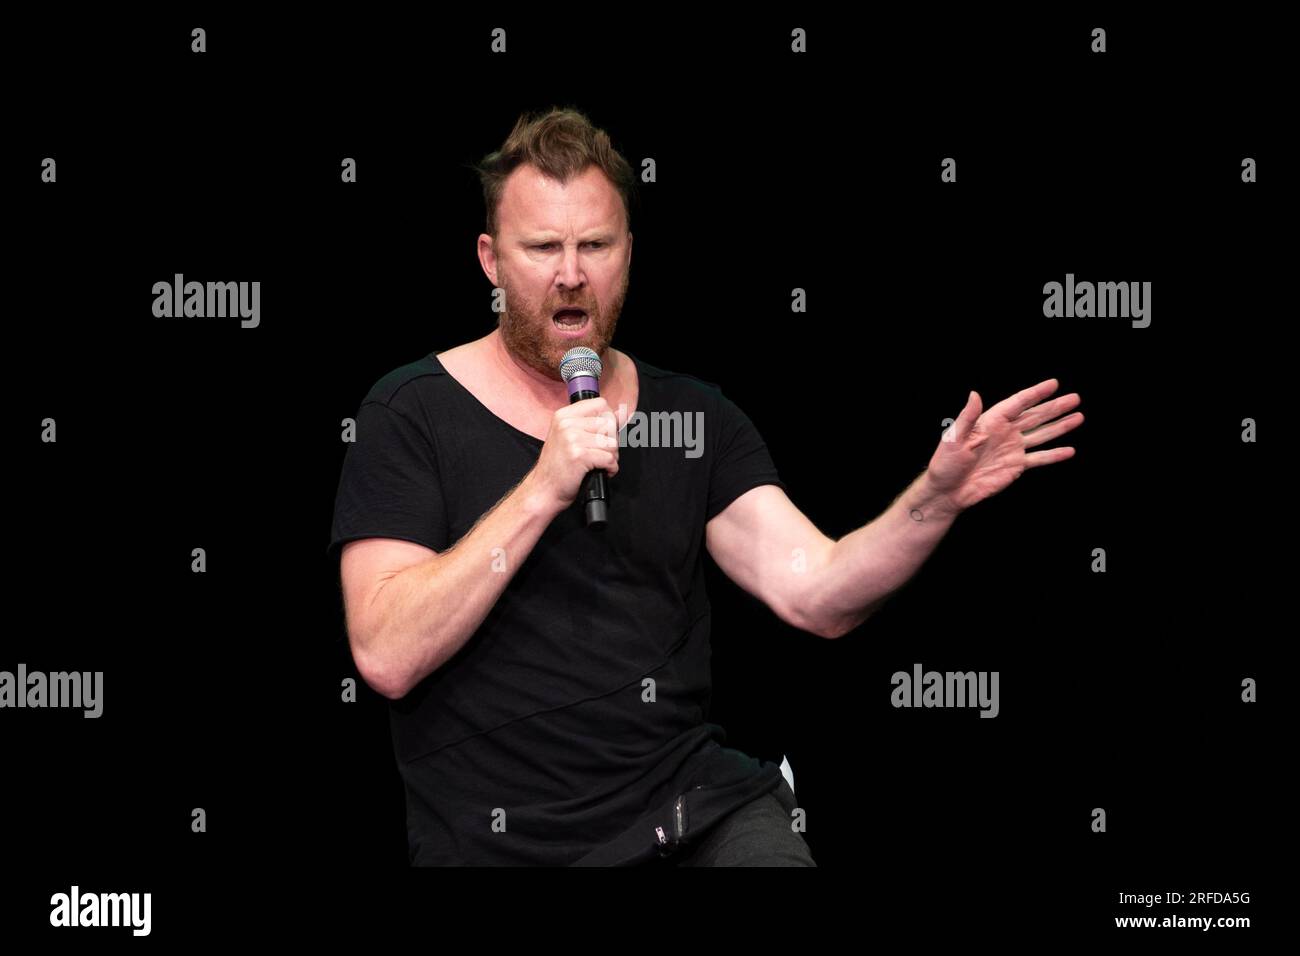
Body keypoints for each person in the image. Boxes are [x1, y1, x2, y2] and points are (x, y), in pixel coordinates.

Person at [328, 107, 1083, 866]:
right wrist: (541, 489)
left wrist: (936, 497)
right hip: (502, 843)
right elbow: (387, 653)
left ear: (628, 253)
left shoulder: (693, 416)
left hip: (688, 815)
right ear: (491, 260)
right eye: (542, 247)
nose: (570, 273)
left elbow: (818, 594)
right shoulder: (411, 412)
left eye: (595, 245)